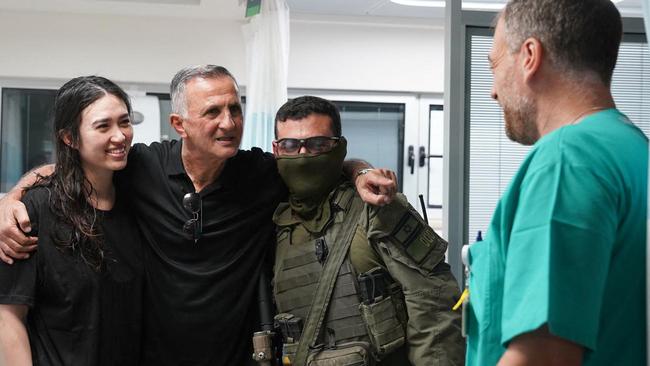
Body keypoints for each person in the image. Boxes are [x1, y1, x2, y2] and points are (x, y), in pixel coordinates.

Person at [0, 65, 397, 365]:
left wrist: (359, 170)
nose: (229, 123)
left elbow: (315, 160)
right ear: (179, 124)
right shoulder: (142, 168)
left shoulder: (260, 174)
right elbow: (72, 167)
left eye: (235, 109)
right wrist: (11, 198)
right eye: (212, 112)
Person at [467, 1, 648, 365]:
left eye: (494, 65)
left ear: (530, 56)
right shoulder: (633, 148)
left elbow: (543, 356)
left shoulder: (567, 159)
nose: (492, 91)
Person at [271, 96, 465, 365]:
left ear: (339, 147)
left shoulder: (377, 207)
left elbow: (434, 305)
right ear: (276, 150)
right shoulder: (273, 222)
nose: (304, 156)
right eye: (291, 145)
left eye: (318, 144)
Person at [0, 76, 144, 365]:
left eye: (124, 122)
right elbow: (9, 317)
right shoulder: (36, 209)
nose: (119, 136)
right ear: (70, 138)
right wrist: (9, 199)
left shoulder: (139, 197)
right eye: (103, 126)